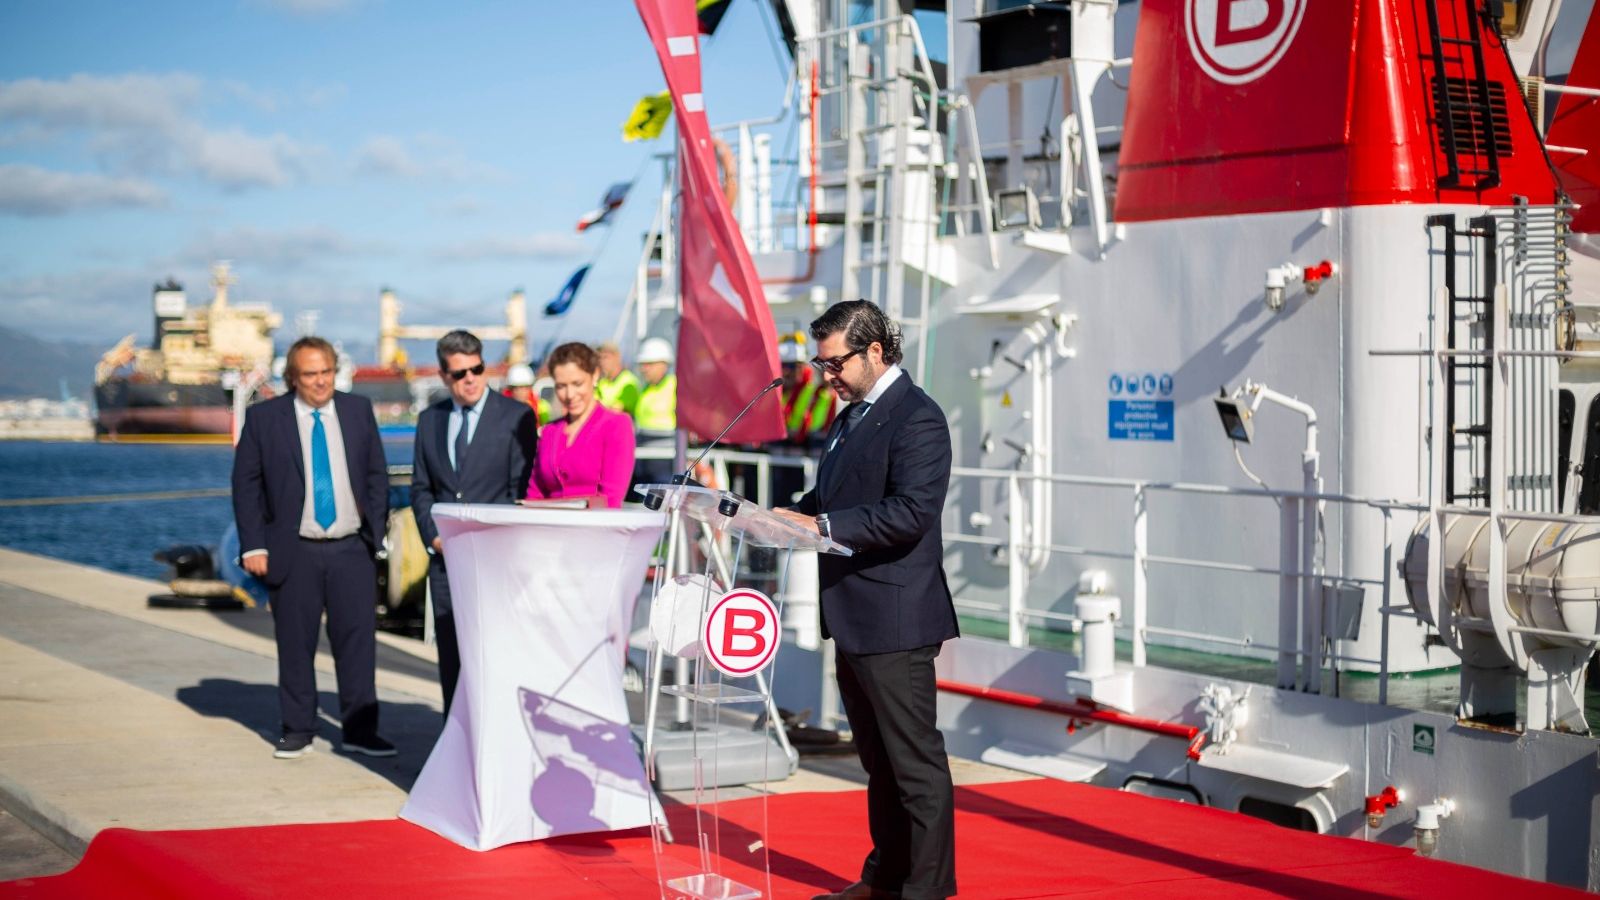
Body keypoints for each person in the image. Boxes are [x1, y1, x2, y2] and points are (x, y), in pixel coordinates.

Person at [772, 301, 959, 900]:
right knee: (878, 762)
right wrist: (780, 517)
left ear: (876, 351)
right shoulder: (851, 415)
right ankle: (885, 879)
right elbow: (831, 497)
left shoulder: (917, 418)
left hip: (895, 617)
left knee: (914, 766)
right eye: (821, 364)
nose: (826, 375)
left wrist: (821, 526)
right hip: (853, 615)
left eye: (835, 363)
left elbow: (911, 512)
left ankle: (926, 891)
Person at [232, 336, 395, 761]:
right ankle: (298, 728)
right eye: (310, 374)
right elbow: (246, 486)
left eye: (326, 372)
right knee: (295, 642)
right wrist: (253, 545)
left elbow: (376, 475)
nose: (321, 381)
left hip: (352, 548)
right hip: (295, 549)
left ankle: (361, 731)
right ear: (293, 377)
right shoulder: (265, 419)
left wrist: (375, 532)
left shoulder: (357, 411)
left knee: (357, 643)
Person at [411, 330, 538, 717]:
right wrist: (435, 537)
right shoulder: (429, 420)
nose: (470, 379)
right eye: (459, 373)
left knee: (497, 657)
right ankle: (456, 736)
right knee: (452, 661)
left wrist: (490, 540)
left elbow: (520, 491)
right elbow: (422, 489)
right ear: (444, 376)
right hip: (446, 563)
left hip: (496, 562)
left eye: (477, 369)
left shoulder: (516, 417)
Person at [526, 341, 637, 508]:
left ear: (595, 376)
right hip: (547, 523)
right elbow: (535, 494)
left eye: (577, 384)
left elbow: (611, 498)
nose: (570, 394)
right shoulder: (549, 431)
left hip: (595, 523)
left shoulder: (616, 425)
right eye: (561, 386)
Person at [632, 336, 677, 487]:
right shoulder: (645, 389)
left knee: (663, 494)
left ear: (664, 364)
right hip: (644, 456)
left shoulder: (675, 386)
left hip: (665, 458)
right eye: (642, 364)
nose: (644, 369)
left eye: (649, 364)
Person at [595, 341, 641, 418]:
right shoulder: (602, 383)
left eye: (605, 357)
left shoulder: (629, 381)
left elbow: (618, 411)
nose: (602, 362)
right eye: (599, 358)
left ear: (617, 357)